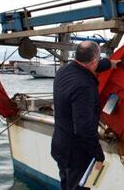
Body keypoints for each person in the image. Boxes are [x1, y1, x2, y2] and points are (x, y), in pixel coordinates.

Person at [51, 41, 120, 190]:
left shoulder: (64, 70)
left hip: (60, 147)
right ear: (94, 61)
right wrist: (98, 155)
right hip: (77, 156)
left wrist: (110, 64)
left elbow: (89, 65)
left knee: (66, 184)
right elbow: (83, 129)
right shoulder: (84, 86)